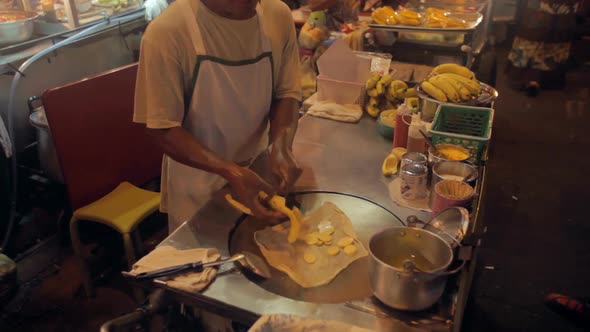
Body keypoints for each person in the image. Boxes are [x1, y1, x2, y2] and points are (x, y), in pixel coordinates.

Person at [134, 0, 303, 232]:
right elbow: (162, 129)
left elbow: (286, 92)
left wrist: (280, 146)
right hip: (198, 191)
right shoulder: (166, 33)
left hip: (260, 175)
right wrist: (230, 171)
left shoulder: (278, 16)